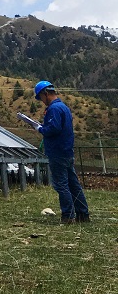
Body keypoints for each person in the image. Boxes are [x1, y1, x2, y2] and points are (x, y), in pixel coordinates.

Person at [33, 80, 90, 223]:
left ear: (46, 94)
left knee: (61, 185)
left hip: (57, 152)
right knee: (73, 185)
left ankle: (68, 215)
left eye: (40, 97)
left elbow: (54, 129)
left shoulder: (54, 109)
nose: (42, 101)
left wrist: (40, 128)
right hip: (67, 151)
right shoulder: (63, 107)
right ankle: (83, 214)